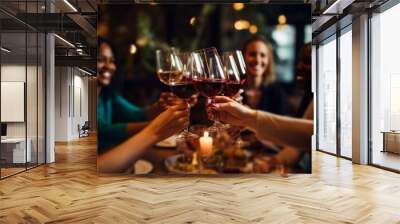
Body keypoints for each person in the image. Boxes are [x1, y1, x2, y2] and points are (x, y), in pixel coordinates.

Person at [97, 39, 189, 173]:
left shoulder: (107, 95)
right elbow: (103, 131)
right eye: (100, 60)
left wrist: (159, 107)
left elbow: (136, 115)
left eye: (112, 61)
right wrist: (158, 126)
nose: (109, 66)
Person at [241, 36, 287, 115]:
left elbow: (281, 124)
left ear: (268, 60)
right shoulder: (233, 90)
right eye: (252, 54)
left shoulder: (276, 92)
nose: (257, 60)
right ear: (242, 57)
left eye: (263, 55)